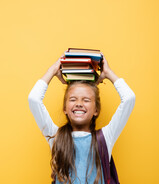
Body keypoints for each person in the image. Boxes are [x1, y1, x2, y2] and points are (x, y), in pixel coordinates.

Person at [28, 52, 136, 184]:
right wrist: (53, 70)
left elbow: (129, 98)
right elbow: (33, 99)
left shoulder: (105, 138)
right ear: (65, 109)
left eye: (86, 100)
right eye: (73, 99)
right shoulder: (56, 137)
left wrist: (108, 73)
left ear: (96, 110)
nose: (79, 103)